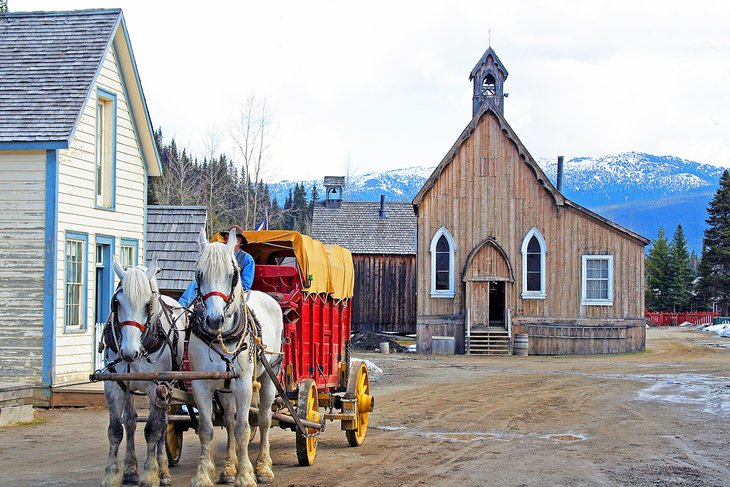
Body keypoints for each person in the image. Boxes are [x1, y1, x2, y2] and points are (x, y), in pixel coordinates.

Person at [178, 225, 255, 308]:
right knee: (196, 282)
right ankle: (181, 307)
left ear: (238, 241)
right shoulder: (218, 256)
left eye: (227, 239)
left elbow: (246, 284)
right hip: (213, 289)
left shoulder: (247, 259)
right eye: (225, 239)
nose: (225, 241)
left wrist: (227, 286)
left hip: (232, 294)